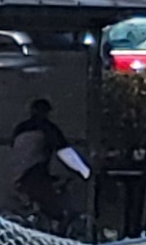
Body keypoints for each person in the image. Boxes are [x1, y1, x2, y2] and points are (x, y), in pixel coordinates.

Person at [6, 101, 93, 236]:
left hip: (17, 178)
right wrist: (85, 172)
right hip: (34, 178)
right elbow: (65, 153)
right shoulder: (46, 129)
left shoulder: (20, 129)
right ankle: (57, 236)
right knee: (57, 212)